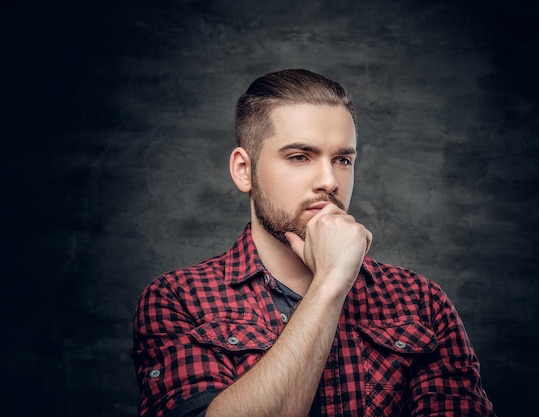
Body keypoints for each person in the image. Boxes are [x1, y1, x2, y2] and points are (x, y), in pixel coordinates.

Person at [130, 68, 497, 417]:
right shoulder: (179, 299)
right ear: (245, 169)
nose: (329, 181)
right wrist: (329, 285)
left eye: (342, 159)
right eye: (300, 157)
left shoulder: (421, 303)